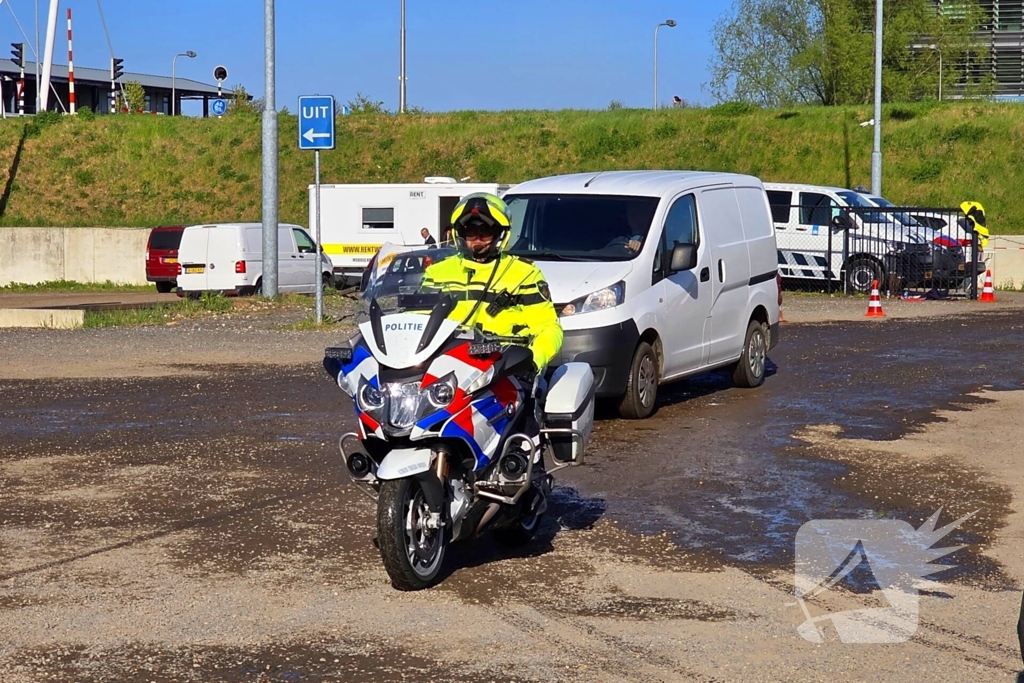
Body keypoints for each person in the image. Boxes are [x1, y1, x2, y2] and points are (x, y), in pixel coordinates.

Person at [421, 192, 562, 373]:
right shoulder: (436, 272)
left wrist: (533, 360)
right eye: (471, 232)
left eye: (485, 233)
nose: (478, 239)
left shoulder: (525, 274)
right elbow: (419, 322)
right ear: (460, 234)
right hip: (445, 364)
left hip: (504, 366)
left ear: (499, 234)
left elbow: (549, 327)